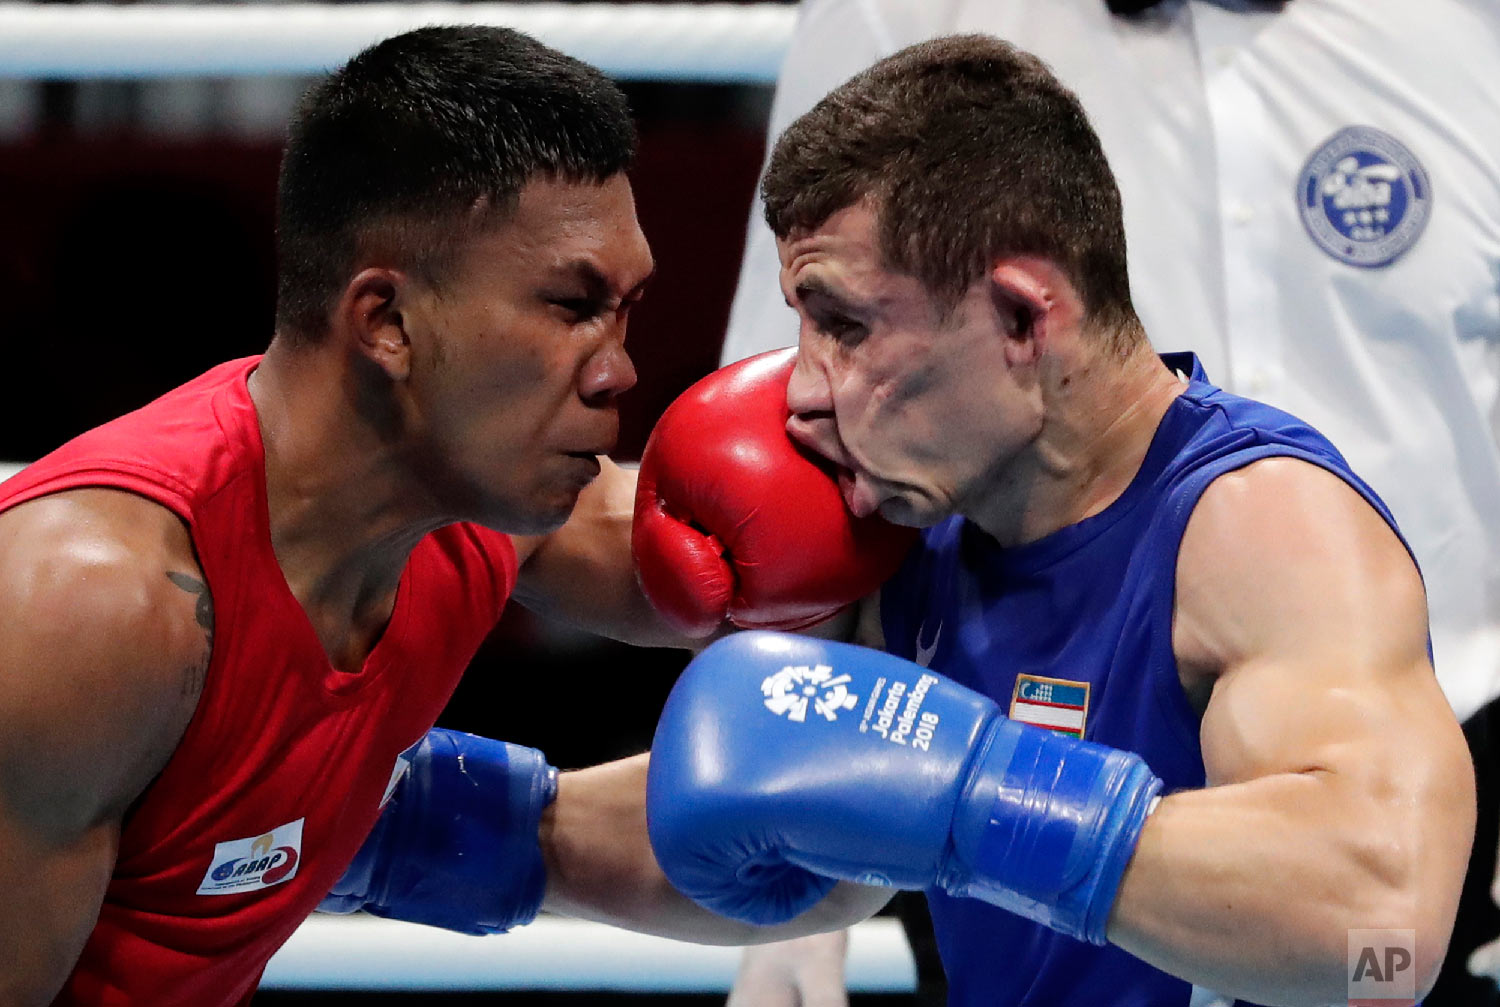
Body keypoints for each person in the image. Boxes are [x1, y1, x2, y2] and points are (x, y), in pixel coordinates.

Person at [0, 26, 902, 1005]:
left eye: (626, 308)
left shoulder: (474, 510)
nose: (619, 369)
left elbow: (746, 586)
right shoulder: (92, 610)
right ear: (386, 320)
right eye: (571, 304)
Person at [643, 35, 1476, 1007]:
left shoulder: (1258, 527)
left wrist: (979, 793)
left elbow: (1380, 936)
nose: (801, 390)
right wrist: (493, 822)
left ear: (1023, 320)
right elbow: (748, 788)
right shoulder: (925, 526)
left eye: (846, 325)